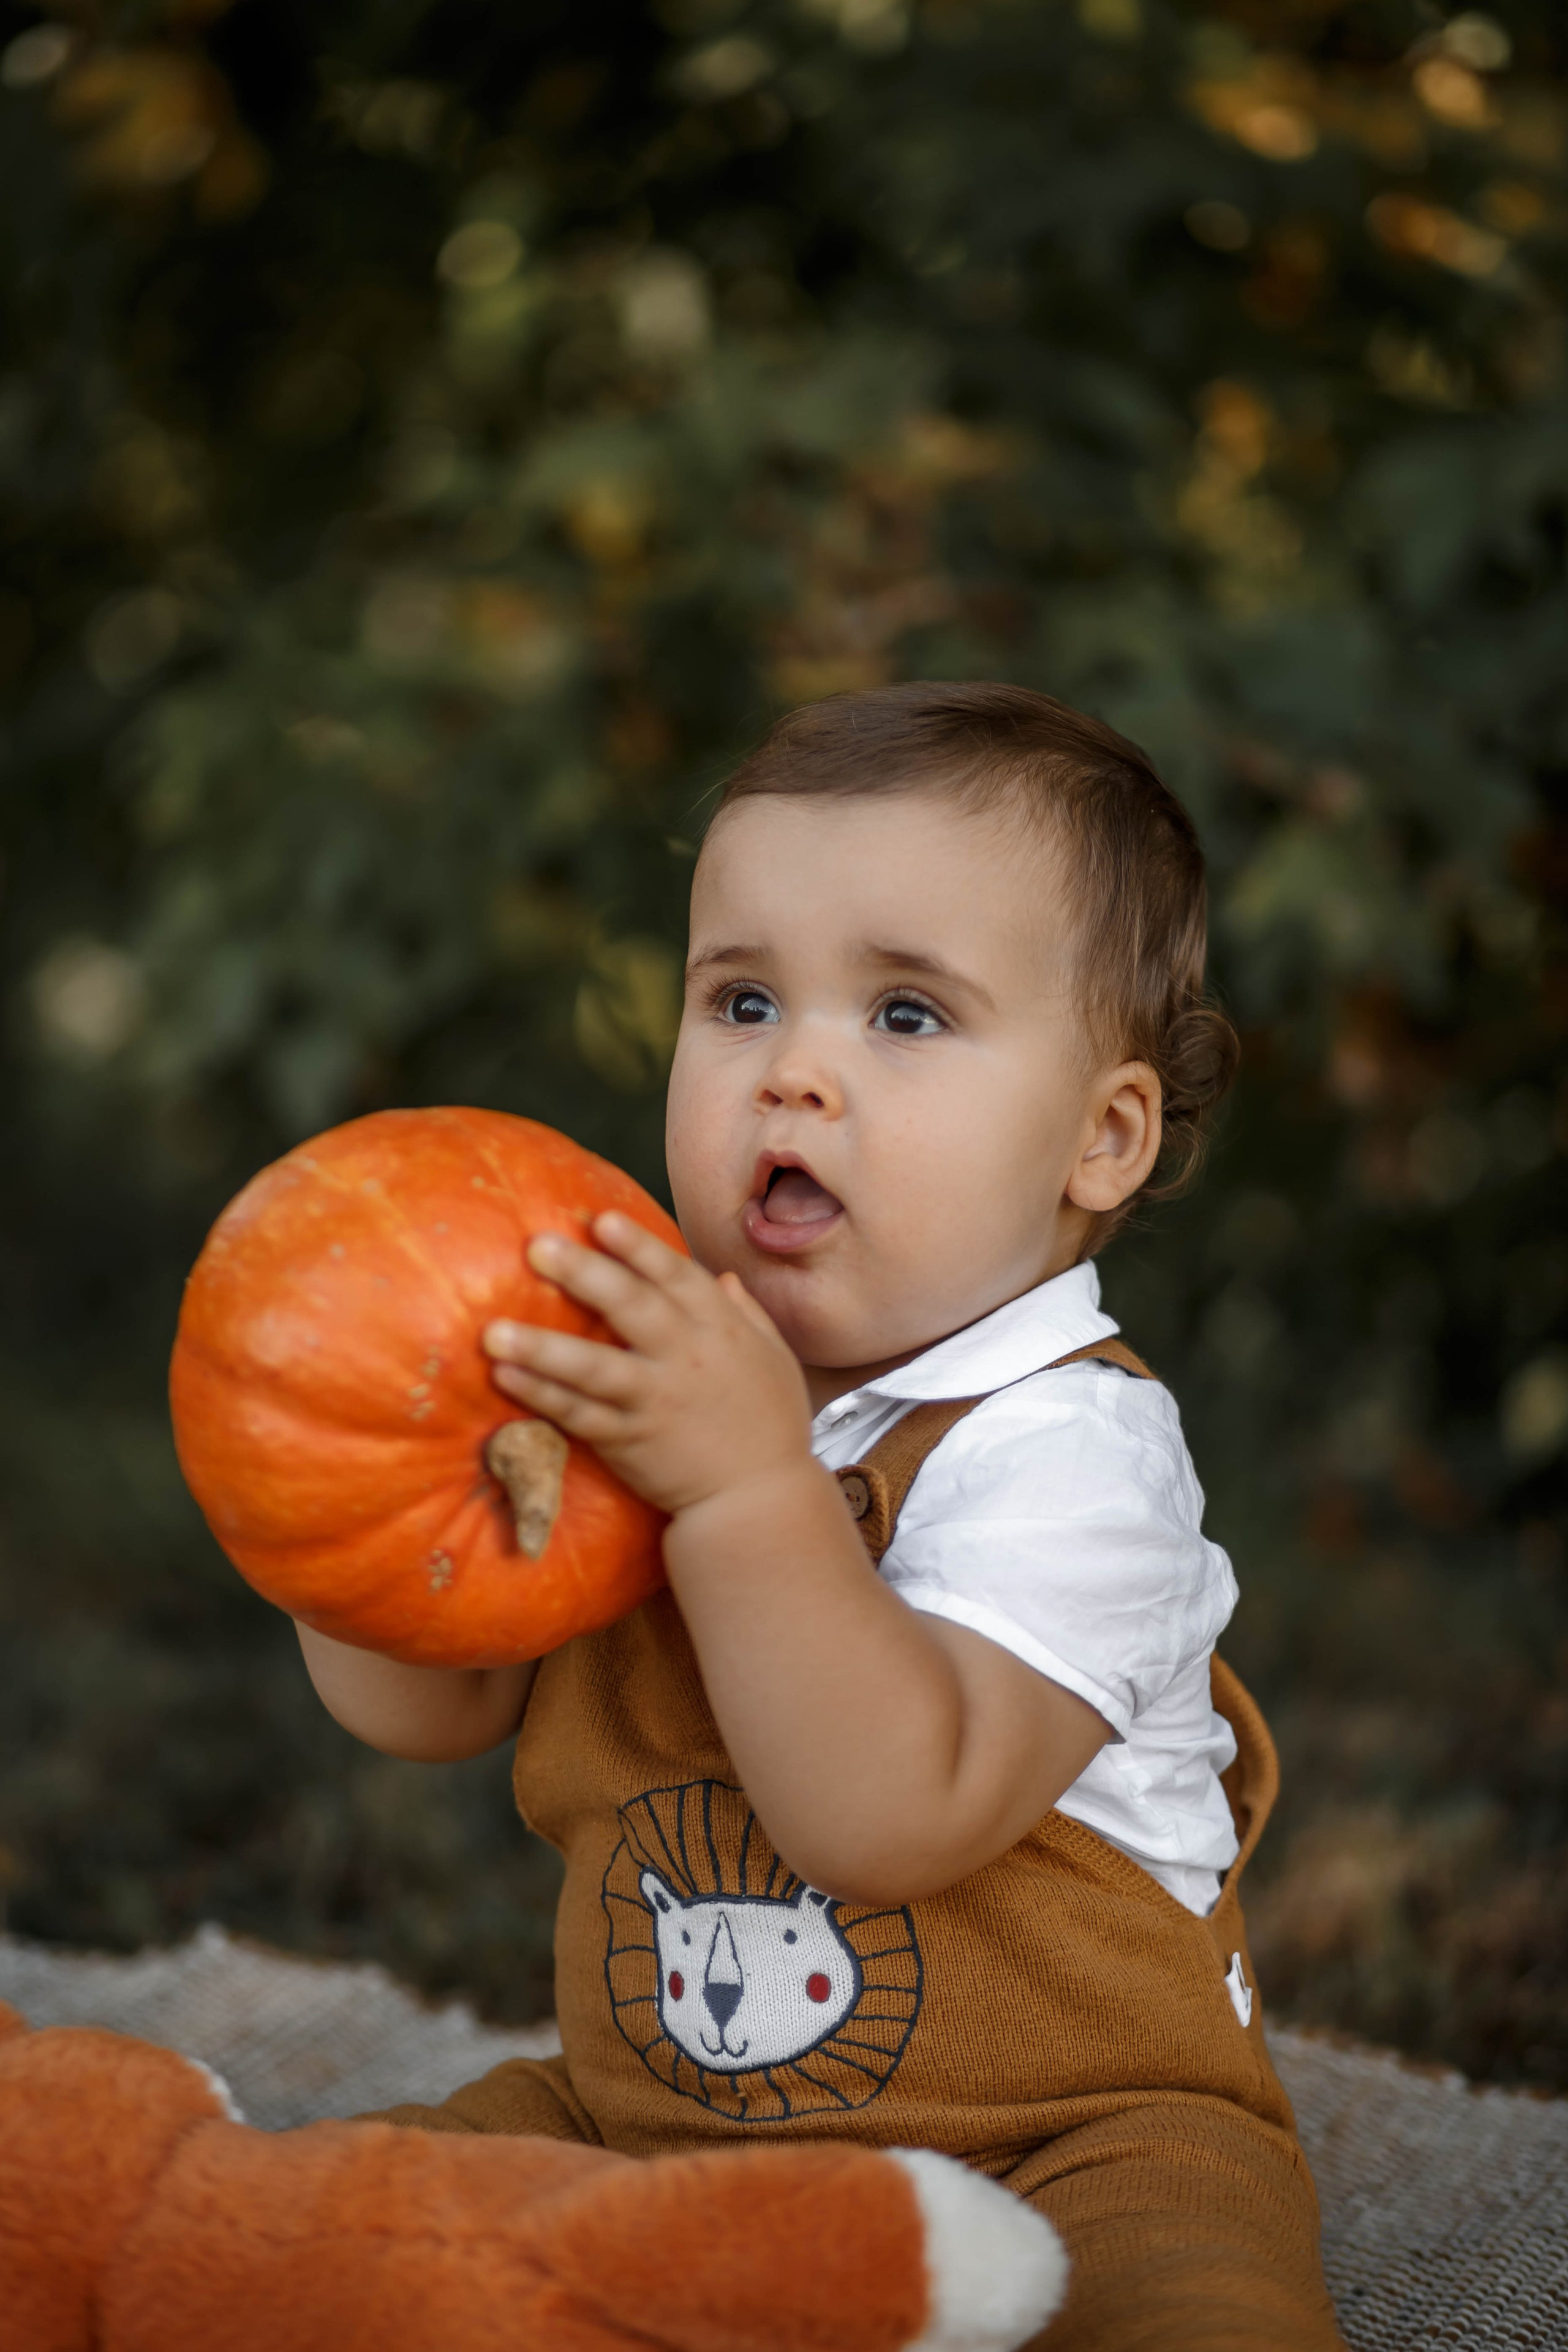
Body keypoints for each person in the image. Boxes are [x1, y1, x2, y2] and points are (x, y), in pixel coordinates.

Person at [296, 684, 1343, 2350]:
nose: (793, 1072)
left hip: (1069, 2142)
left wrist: (740, 1486)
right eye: (744, 999)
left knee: (1192, 2309)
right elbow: (440, 1702)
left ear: (1102, 1138)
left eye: (908, 1016)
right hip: (655, 2127)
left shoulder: (1073, 1446)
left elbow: (890, 1808)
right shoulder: (656, 1375)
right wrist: (333, 1492)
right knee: (307, 2237)